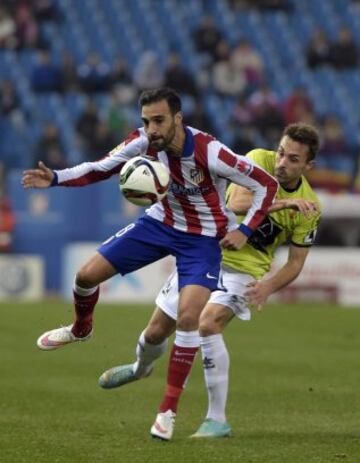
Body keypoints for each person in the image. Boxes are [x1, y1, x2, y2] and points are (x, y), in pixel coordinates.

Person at [21, 87, 278, 410]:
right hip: (160, 223)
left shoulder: (211, 151)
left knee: (182, 320)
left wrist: (245, 229)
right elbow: (101, 167)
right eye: (146, 121)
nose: (152, 129)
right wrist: (57, 177)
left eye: (159, 120)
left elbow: (267, 184)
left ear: (178, 119)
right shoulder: (142, 142)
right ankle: (81, 328)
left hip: (203, 237)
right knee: (85, 276)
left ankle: (167, 409)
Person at [98, 123, 321, 441]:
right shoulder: (258, 159)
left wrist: (268, 287)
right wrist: (284, 203)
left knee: (207, 324)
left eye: (294, 159)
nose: (283, 162)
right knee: (155, 332)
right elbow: (237, 205)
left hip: (242, 273)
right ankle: (139, 368)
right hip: (203, 256)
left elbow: (296, 263)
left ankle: (217, 420)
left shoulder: (310, 207)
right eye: (282, 153)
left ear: (308, 165)